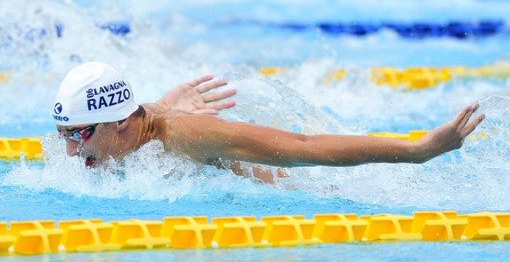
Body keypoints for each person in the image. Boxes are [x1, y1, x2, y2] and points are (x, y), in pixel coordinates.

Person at [53, 62, 485, 181]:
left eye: (80, 134)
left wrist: (418, 152)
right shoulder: (136, 126)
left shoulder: (188, 134)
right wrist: (165, 102)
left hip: (313, 185)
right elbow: (150, 117)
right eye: (65, 136)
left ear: (124, 122)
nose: (72, 151)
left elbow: (301, 148)